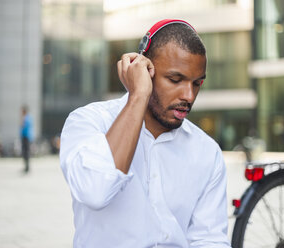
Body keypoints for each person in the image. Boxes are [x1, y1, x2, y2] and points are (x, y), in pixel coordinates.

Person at [60, 19, 231, 248]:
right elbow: (95, 191)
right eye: (175, 80)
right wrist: (138, 96)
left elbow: (209, 240)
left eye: (197, 83)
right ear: (145, 70)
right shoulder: (88, 122)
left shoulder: (207, 152)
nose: (189, 96)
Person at [21, 105, 33, 173]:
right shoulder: (27, 117)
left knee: (26, 152)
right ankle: (26, 166)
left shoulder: (26, 118)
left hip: (26, 137)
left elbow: (23, 126)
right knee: (25, 152)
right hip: (25, 136)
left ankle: (27, 167)